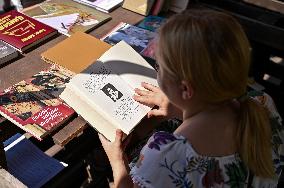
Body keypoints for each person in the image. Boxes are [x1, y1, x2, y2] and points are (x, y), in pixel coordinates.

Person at [99, 8, 284, 187]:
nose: (158, 72)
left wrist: (117, 163)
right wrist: (179, 109)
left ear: (186, 89)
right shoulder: (263, 104)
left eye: (159, 67)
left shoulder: (167, 155)